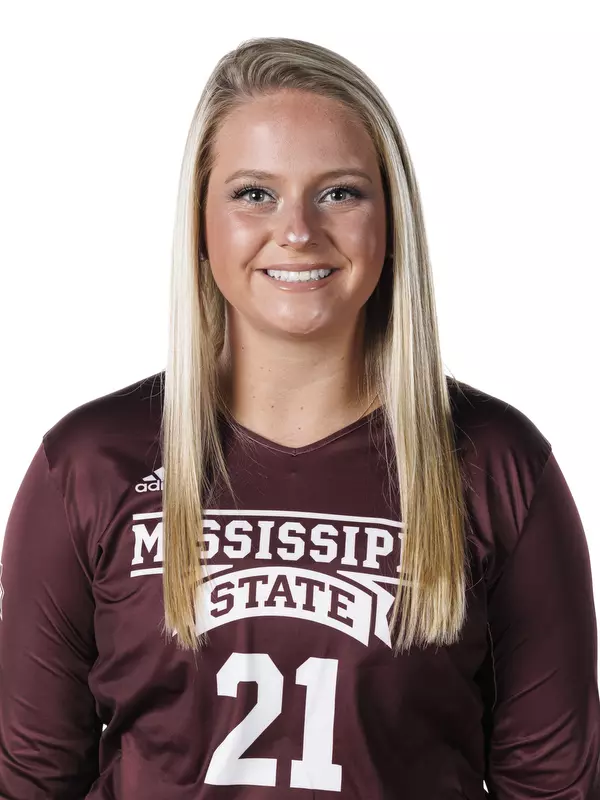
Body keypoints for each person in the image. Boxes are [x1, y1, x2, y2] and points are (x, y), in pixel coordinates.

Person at [0, 35, 598, 800]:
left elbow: (553, 786)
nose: (297, 231)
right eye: (255, 193)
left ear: (392, 222)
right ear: (200, 224)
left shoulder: (498, 467)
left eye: (339, 192)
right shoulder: (87, 466)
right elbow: (32, 779)